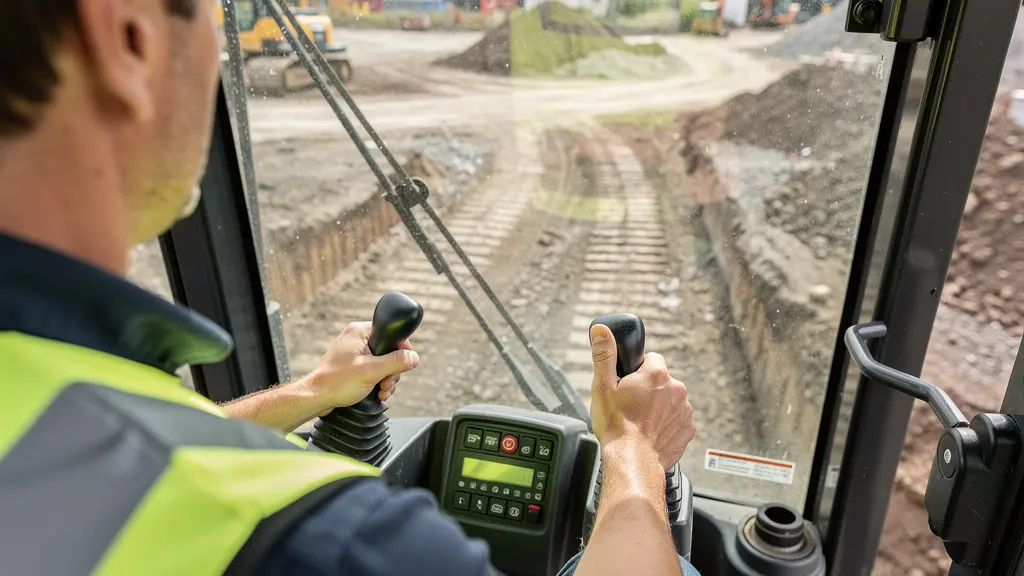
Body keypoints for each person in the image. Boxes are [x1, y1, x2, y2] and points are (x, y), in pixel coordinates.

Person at [0, 1, 699, 575]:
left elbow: (120, 447)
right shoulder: (338, 545)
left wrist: (310, 395)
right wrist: (633, 449)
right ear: (128, 34)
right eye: (216, 18)